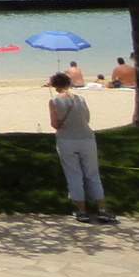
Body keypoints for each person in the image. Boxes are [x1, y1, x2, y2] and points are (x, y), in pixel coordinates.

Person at [48, 71, 115, 224]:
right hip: (86, 138)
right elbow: (87, 118)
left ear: (54, 85)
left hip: (66, 139)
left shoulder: (54, 101)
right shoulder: (80, 99)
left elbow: (55, 124)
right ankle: (102, 209)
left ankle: (82, 210)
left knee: (74, 174)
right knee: (93, 174)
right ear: (68, 83)